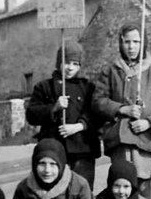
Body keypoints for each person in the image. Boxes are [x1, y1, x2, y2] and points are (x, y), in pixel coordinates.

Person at [93, 23, 151, 199]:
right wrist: (122, 109)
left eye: (136, 42)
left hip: (146, 139)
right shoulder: (110, 71)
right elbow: (98, 101)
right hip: (120, 139)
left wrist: (150, 122)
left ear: (143, 43)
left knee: (143, 188)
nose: (131, 47)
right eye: (127, 42)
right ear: (120, 43)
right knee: (121, 187)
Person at [26, 41, 101, 188]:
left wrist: (80, 126)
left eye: (75, 63)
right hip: (54, 150)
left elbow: (97, 114)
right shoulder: (44, 87)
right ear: (59, 62)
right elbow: (31, 115)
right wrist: (54, 108)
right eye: (66, 62)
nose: (70, 68)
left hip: (83, 149)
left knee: (81, 190)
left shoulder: (88, 88)